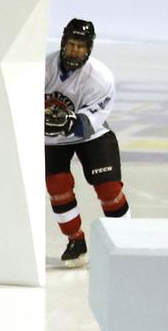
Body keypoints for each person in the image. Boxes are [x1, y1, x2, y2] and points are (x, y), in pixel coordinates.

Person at [44, 18, 130, 268]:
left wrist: (72, 122)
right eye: (71, 45)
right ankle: (75, 241)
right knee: (57, 187)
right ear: (63, 43)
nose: (75, 51)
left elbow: (93, 118)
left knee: (109, 189)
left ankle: (124, 241)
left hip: (93, 136)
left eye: (81, 46)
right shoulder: (42, 67)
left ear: (89, 48)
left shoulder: (100, 77)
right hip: (52, 140)